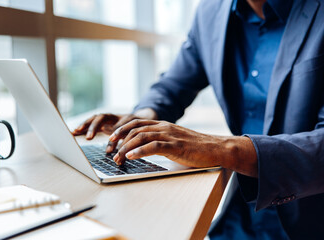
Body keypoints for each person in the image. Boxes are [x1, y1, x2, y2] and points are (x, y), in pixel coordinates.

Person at [73, 0, 324, 239]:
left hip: (311, 215)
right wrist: (140, 120)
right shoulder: (211, 11)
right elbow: (173, 85)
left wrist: (223, 149)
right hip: (243, 212)